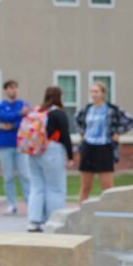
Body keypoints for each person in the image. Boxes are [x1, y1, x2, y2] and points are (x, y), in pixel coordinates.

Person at [75, 81, 133, 203]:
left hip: (104, 147)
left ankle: (110, 213)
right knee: (85, 186)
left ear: (103, 93)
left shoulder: (111, 109)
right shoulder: (87, 109)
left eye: (96, 92)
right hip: (88, 147)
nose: (94, 94)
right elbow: (77, 121)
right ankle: (79, 212)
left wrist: (118, 132)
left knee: (107, 187)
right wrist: (82, 133)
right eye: (92, 91)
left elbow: (131, 121)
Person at [26, 86, 75, 232]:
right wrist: (70, 156)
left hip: (33, 152)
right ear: (59, 97)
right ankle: (54, 220)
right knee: (55, 188)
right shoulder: (58, 114)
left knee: (36, 187)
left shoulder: (37, 112)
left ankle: (34, 221)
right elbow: (65, 136)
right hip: (52, 150)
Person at [0, 80, 31, 215]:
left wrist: (12, 125)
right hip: (5, 145)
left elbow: (26, 121)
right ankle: (11, 204)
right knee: (8, 176)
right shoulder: (0, 106)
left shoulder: (23, 104)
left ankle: (30, 204)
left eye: (15, 88)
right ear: (6, 90)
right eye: (10, 88)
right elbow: (2, 117)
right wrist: (19, 114)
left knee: (25, 176)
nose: (13, 90)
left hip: (21, 146)